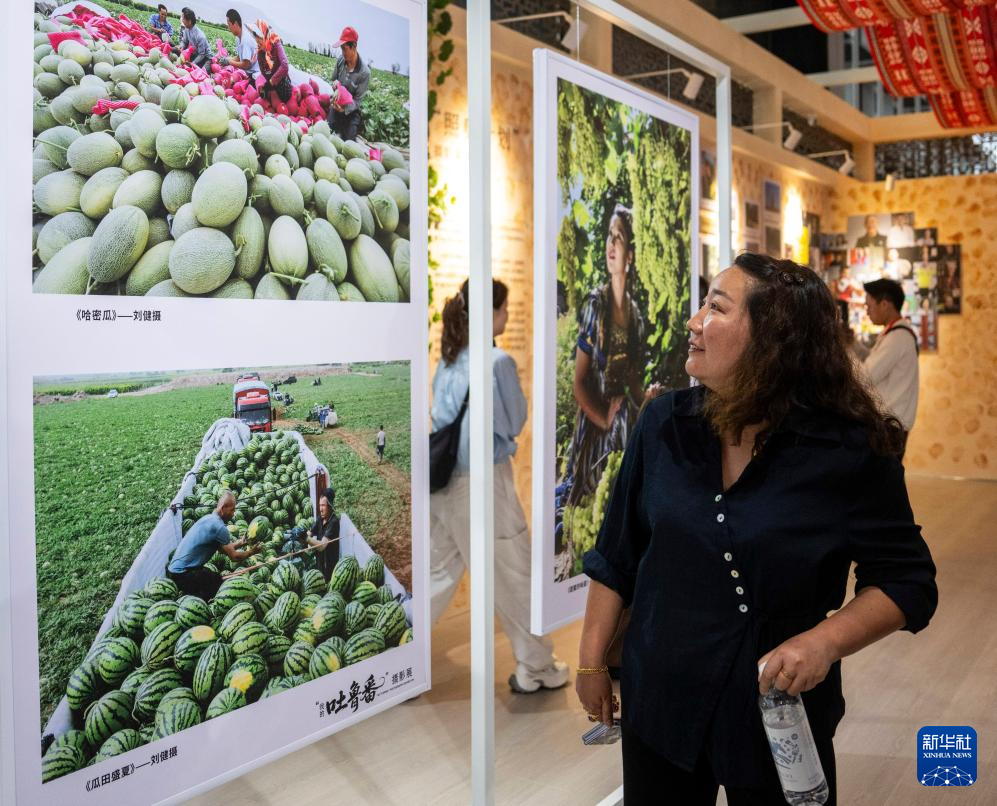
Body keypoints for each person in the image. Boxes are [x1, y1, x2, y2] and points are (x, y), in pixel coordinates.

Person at [576, 253, 937, 804]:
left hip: (778, 710)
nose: (694, 322)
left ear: (773, 338)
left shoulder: (848, 449)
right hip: (663, 701)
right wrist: (591, 660)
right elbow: (617, 555)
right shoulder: (664, 425)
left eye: (716, 308)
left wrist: (823, 642)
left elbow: (907, 580)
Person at [430, 279, 569, 693]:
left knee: (437, 574)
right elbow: (515, 421)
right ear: (490, 313)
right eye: (504, 308)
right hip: (483, 485)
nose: (508, 315)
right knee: (514, 571)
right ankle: (537, 668)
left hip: (443, 483)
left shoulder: (450, 359)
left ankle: (398, 652)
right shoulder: (497, 362)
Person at [559, 205, 647, 518]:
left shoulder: (635, 317)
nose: (611, 243)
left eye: (619, 237)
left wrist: (646, 398)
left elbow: (632, 380)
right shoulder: (595, 306)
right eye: (609, 236)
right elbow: (579, 383)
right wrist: (606, 420)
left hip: (621, 427)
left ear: (630, 255)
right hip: (596, 429)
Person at [861, 278, 919, 458]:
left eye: (869, 306)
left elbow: (866, 376)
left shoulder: (898, 337)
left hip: (890, 425)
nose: (867, 311)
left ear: (885, 304)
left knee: (881, 474)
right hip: (891, 423)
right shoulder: (895, 333)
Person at [167, 491, 259, 599]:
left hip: (173, 571)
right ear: (223, 508)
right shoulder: (219, 527)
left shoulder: (208, 518)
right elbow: (234, 557)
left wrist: (240, 543)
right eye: (232, 510)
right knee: (219, 589)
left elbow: (223, 550)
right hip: (182, 575)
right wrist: (252, 552)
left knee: (214, 577)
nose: (234, 513)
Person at [326, 26, 370, 141]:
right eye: (341, 49)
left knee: (349, 140)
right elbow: (333, 80)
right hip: (336, 106)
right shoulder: (341, 61)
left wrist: (344, 109)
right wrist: (335, 84)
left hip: (351, 112)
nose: (342, 52)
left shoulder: (364, 73)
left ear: (354, 46)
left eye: (345, 49)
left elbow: (357, 101)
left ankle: (347, 128)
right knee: (327, 130)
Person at [247, 20, 293, 105]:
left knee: (282, 99)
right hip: (271, 84)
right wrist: (265, 85)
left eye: (259, 39)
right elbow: (264, 72)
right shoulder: (260, 52)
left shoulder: (276, 43)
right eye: (256, 39)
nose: (257, 42)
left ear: (264, 35)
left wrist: (270, 83)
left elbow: (285, 65)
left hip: (282, 84)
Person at [307, 487, 340, 580]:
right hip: (320, 563)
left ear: (330, 505)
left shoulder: (334, 522)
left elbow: (322, 546)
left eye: (323, 505)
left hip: (329, 567)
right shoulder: (320, 518)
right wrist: (301, 534)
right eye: (320, 505)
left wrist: (306, 538)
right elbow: (310, 532)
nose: (321, 509)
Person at [220, 8, 259, 79]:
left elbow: (246, 65)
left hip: (254, 73)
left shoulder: (245, 39)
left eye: (229, 24)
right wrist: (226, 59)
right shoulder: (238, 38)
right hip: (246, 71)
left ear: (235, 24)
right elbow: (239, 58)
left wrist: (229, 62)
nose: (228, 28)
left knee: (232, 80)